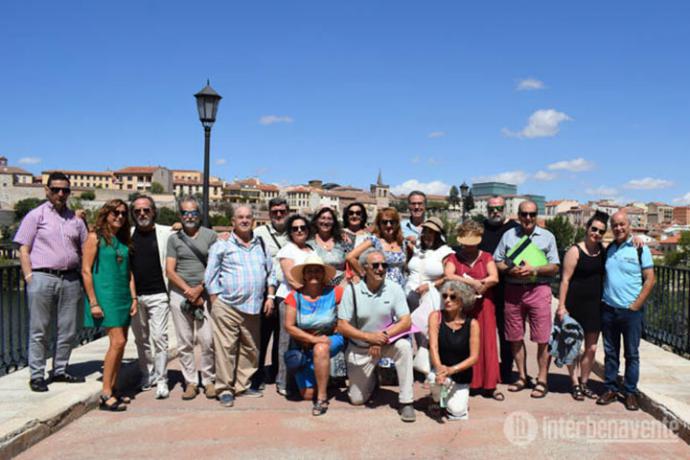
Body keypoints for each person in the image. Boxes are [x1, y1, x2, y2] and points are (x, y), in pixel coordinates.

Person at [15, 172, 88, 392]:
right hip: (42, 277)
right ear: (47, 190)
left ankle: (60, 370)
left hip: (70, 279)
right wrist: (30, 278)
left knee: (68, 329)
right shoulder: (36, 216)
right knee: (40, 330)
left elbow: (87, 248)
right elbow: (23, 249)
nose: (60, 193)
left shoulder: (76, 220)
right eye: (55, 189)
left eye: (65, 190)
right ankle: (37, 375)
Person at [205, 205, 275, 407]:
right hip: (227, 305)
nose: (244, 220)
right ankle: (225, 389)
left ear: (253, 220)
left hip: (254, 307)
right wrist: (215, 300)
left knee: (250, 349)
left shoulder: (261, 244)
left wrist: (270, 296)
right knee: (226, 349)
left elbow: (271, 272)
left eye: (248, 217)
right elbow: (210, 275)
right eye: (240, 217)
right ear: (233, 221)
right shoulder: (222, 245)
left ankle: (241, 385)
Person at [337, 249, 416, 422]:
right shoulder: (352, 291)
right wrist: (368, 338)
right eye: (376, 265)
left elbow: (406, 321)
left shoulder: (394, 288)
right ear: (365, 268)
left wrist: (382, 337)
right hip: (360, 348)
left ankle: (406, 401)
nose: (381, 269)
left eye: (384, 265)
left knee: (404, 347)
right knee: (357, 400)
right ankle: (372, 380)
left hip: (386, 343)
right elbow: (341, 325)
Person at [494, 200, 560, 398]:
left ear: (537, 215)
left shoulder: (548, 237)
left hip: (538, 289)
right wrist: (509, 269)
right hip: (513, 291)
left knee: (542, 338)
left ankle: (542, 380)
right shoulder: (508, 236)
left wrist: (535, 269)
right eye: (524, 214)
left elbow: (555, 266)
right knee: (514, 337)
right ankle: (522, 376)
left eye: (532, 214)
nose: (528, 218)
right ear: (518, 215)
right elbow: (497, 261)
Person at [82, 199, 137, 411]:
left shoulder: (123, 241)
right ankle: (105, 393)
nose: (120, 216)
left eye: (123, 213)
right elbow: (86, 270)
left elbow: (129, 272)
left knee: (122, 343)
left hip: (123, 296)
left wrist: (133, 298)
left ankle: (114, 388)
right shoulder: (94, 238)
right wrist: (93, 302)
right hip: (106, 297)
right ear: (106, 214)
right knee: (118, 341)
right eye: (115, 212)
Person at [597, 212, 655, 411]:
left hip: (631, 312)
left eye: (622, 224)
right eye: (615, 225)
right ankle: (611, 388)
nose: (618, 228)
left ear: (629, 225)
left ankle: (630, 392)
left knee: (632, 354)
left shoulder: (640, 249)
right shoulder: (610, 249)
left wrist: (636, 305)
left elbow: (650, 279)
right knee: (610, 353)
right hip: (609, 309)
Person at [166, 196, 217, 401]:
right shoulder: (174, 239)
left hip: (204, 293)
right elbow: (170, 270)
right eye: (185, 212)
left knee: (207, 340)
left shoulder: (210, 236)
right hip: (180, 294)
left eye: (193, 212)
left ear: (199, 215)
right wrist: (188, 290)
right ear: (180, 215)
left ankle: (209, 380)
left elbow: (214, 266)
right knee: (184, 341)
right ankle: (190, 382)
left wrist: (199, 289)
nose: (189, 216)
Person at [445, 221, 502, 400]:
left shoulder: (486, 257)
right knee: (464, 343)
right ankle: (467, 382)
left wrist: (483, 285)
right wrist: (472, 282)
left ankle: (489, 384)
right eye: (466, 243)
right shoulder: (454, 258)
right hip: (463, 306)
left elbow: (495, 277)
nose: (469, 247)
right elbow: (448, 275)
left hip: (484, 305)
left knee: (487, 341)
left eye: (472, 243)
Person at [284, 255, 345, 415]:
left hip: (330, 338)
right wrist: (312, 339)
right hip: (304, 344)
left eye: (318, 271)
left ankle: (322, 399)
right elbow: (289, 326)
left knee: (320, 348)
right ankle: (324, 376)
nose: (313, 274)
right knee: (306, 395)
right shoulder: (294, 296)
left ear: (323, 275)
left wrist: (339, 325)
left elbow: (348, 314)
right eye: (309, 271)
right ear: (303, 275)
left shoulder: (336, 292)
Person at [557, 213, 608, 400]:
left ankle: (584, 382)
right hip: (574, 304)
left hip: (595, 306)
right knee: (572, 346)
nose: (596, 233)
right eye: (594, 229)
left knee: (592, 348)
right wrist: (561, 306)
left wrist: (636, 240)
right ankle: (574, 383)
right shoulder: (575, 251)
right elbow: (564, 280)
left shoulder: (603, 251)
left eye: (601, 231)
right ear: (587, 228)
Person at [129, 195, 174, 399]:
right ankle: (147, 374)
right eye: (138, 211)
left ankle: (162, 379)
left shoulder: (167, 232)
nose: (142, 214)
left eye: (146, 210)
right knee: (141, 339)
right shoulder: (127, 235)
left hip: (159, 294)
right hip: (135, 296)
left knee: (160, 338)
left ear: (153, 211)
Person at [478, 195, 519, 383]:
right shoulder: (481, 228)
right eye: (492, 209)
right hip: (484, 288)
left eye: (499, 208)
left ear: (505, 210)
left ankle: (506, 369)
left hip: (507, 287)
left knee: (505, 331)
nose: (495, 212)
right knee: (482, 330)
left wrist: (503, 265)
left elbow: (522, 253)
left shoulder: (513, 229)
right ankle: (482, 368)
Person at [404, 217, 453, 373]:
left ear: (438, 234)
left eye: (432, 232)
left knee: (429, 332)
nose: (427, 235)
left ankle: (433, 367)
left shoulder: (446, 252)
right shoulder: (418, 249)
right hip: (409, 294)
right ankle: (421, 364)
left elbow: (448, 275)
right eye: (425, 231)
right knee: (415, 331)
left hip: (431, 295)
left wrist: (431, 285)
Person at [427, 281, 480, 420]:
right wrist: (440, 369)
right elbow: (433, 346)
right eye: (444, 296)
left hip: (460, 374)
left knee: (457, 413)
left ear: (462, 301)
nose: (447, 300)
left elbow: (474, 357)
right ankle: (437, 400)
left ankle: (446, 399)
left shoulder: (472, 324)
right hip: (440, 371)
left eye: (453, 297)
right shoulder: (436, 317)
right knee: (433, 379)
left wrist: (452, 370)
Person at [275, 214, 315, 395]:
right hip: (290, 299)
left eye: (303, 227)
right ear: (290, 232)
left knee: (304, 341)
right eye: (295, 228)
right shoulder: (287, 250)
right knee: (287, 340)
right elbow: (290, 277)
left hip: (308, 301)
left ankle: (302, 380)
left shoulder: (311, 250)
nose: (299, 231)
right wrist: (308, 293)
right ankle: (283, 381)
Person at [251, 197, 289, 389]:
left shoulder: (295, 231)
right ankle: (257, 373)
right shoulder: (259, 233)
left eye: (282, 211)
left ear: (287, 212)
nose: (279, 214)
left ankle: (275, 371)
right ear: (269, 214)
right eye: (275, 212)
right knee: (262, 334)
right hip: (266, 291)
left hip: (287, 291)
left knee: (282, 335)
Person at [347, 207, 407, 287]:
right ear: (379, 224)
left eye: (392, 222)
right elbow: (350, 257)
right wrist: (363, 274)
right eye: (384, 222)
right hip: (381, 287)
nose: (388, 225)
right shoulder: (374, 240)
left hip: (400, 287)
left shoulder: (402, 242)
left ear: (397, 223)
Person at [308, 207, 347, 286]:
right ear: (316, 221)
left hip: (341, 286)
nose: (326, 222)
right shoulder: (309, 241)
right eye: (322, 218)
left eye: (329, 219)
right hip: (317, 287)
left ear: (334, 222)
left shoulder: (342, 241)